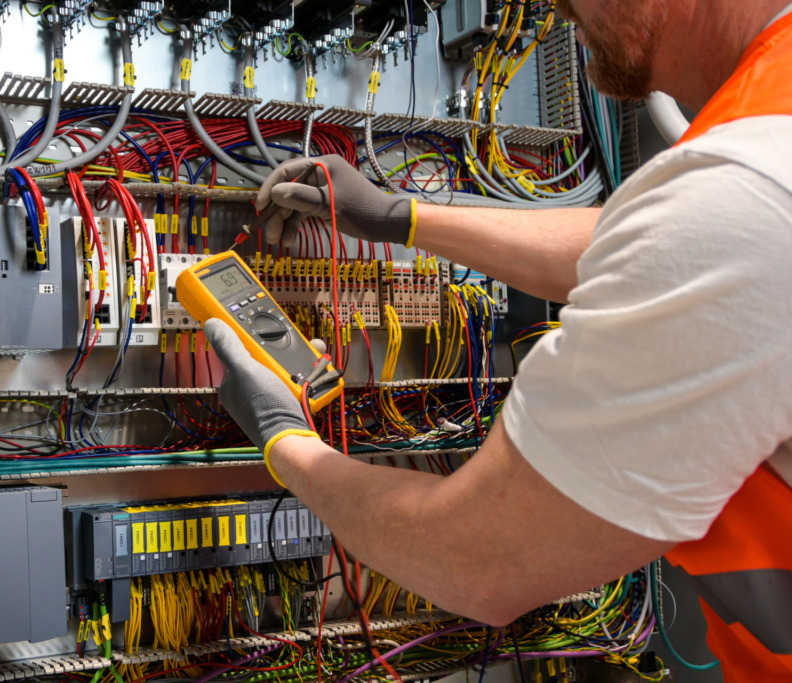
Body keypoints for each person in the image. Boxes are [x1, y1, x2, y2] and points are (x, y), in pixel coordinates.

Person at [202, 0, 792, 679]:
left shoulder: (743, 188)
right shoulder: (764, 130)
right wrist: (401, 217)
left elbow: (476, 562)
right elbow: (647, 243)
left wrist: (285, 441)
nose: (560, 11)